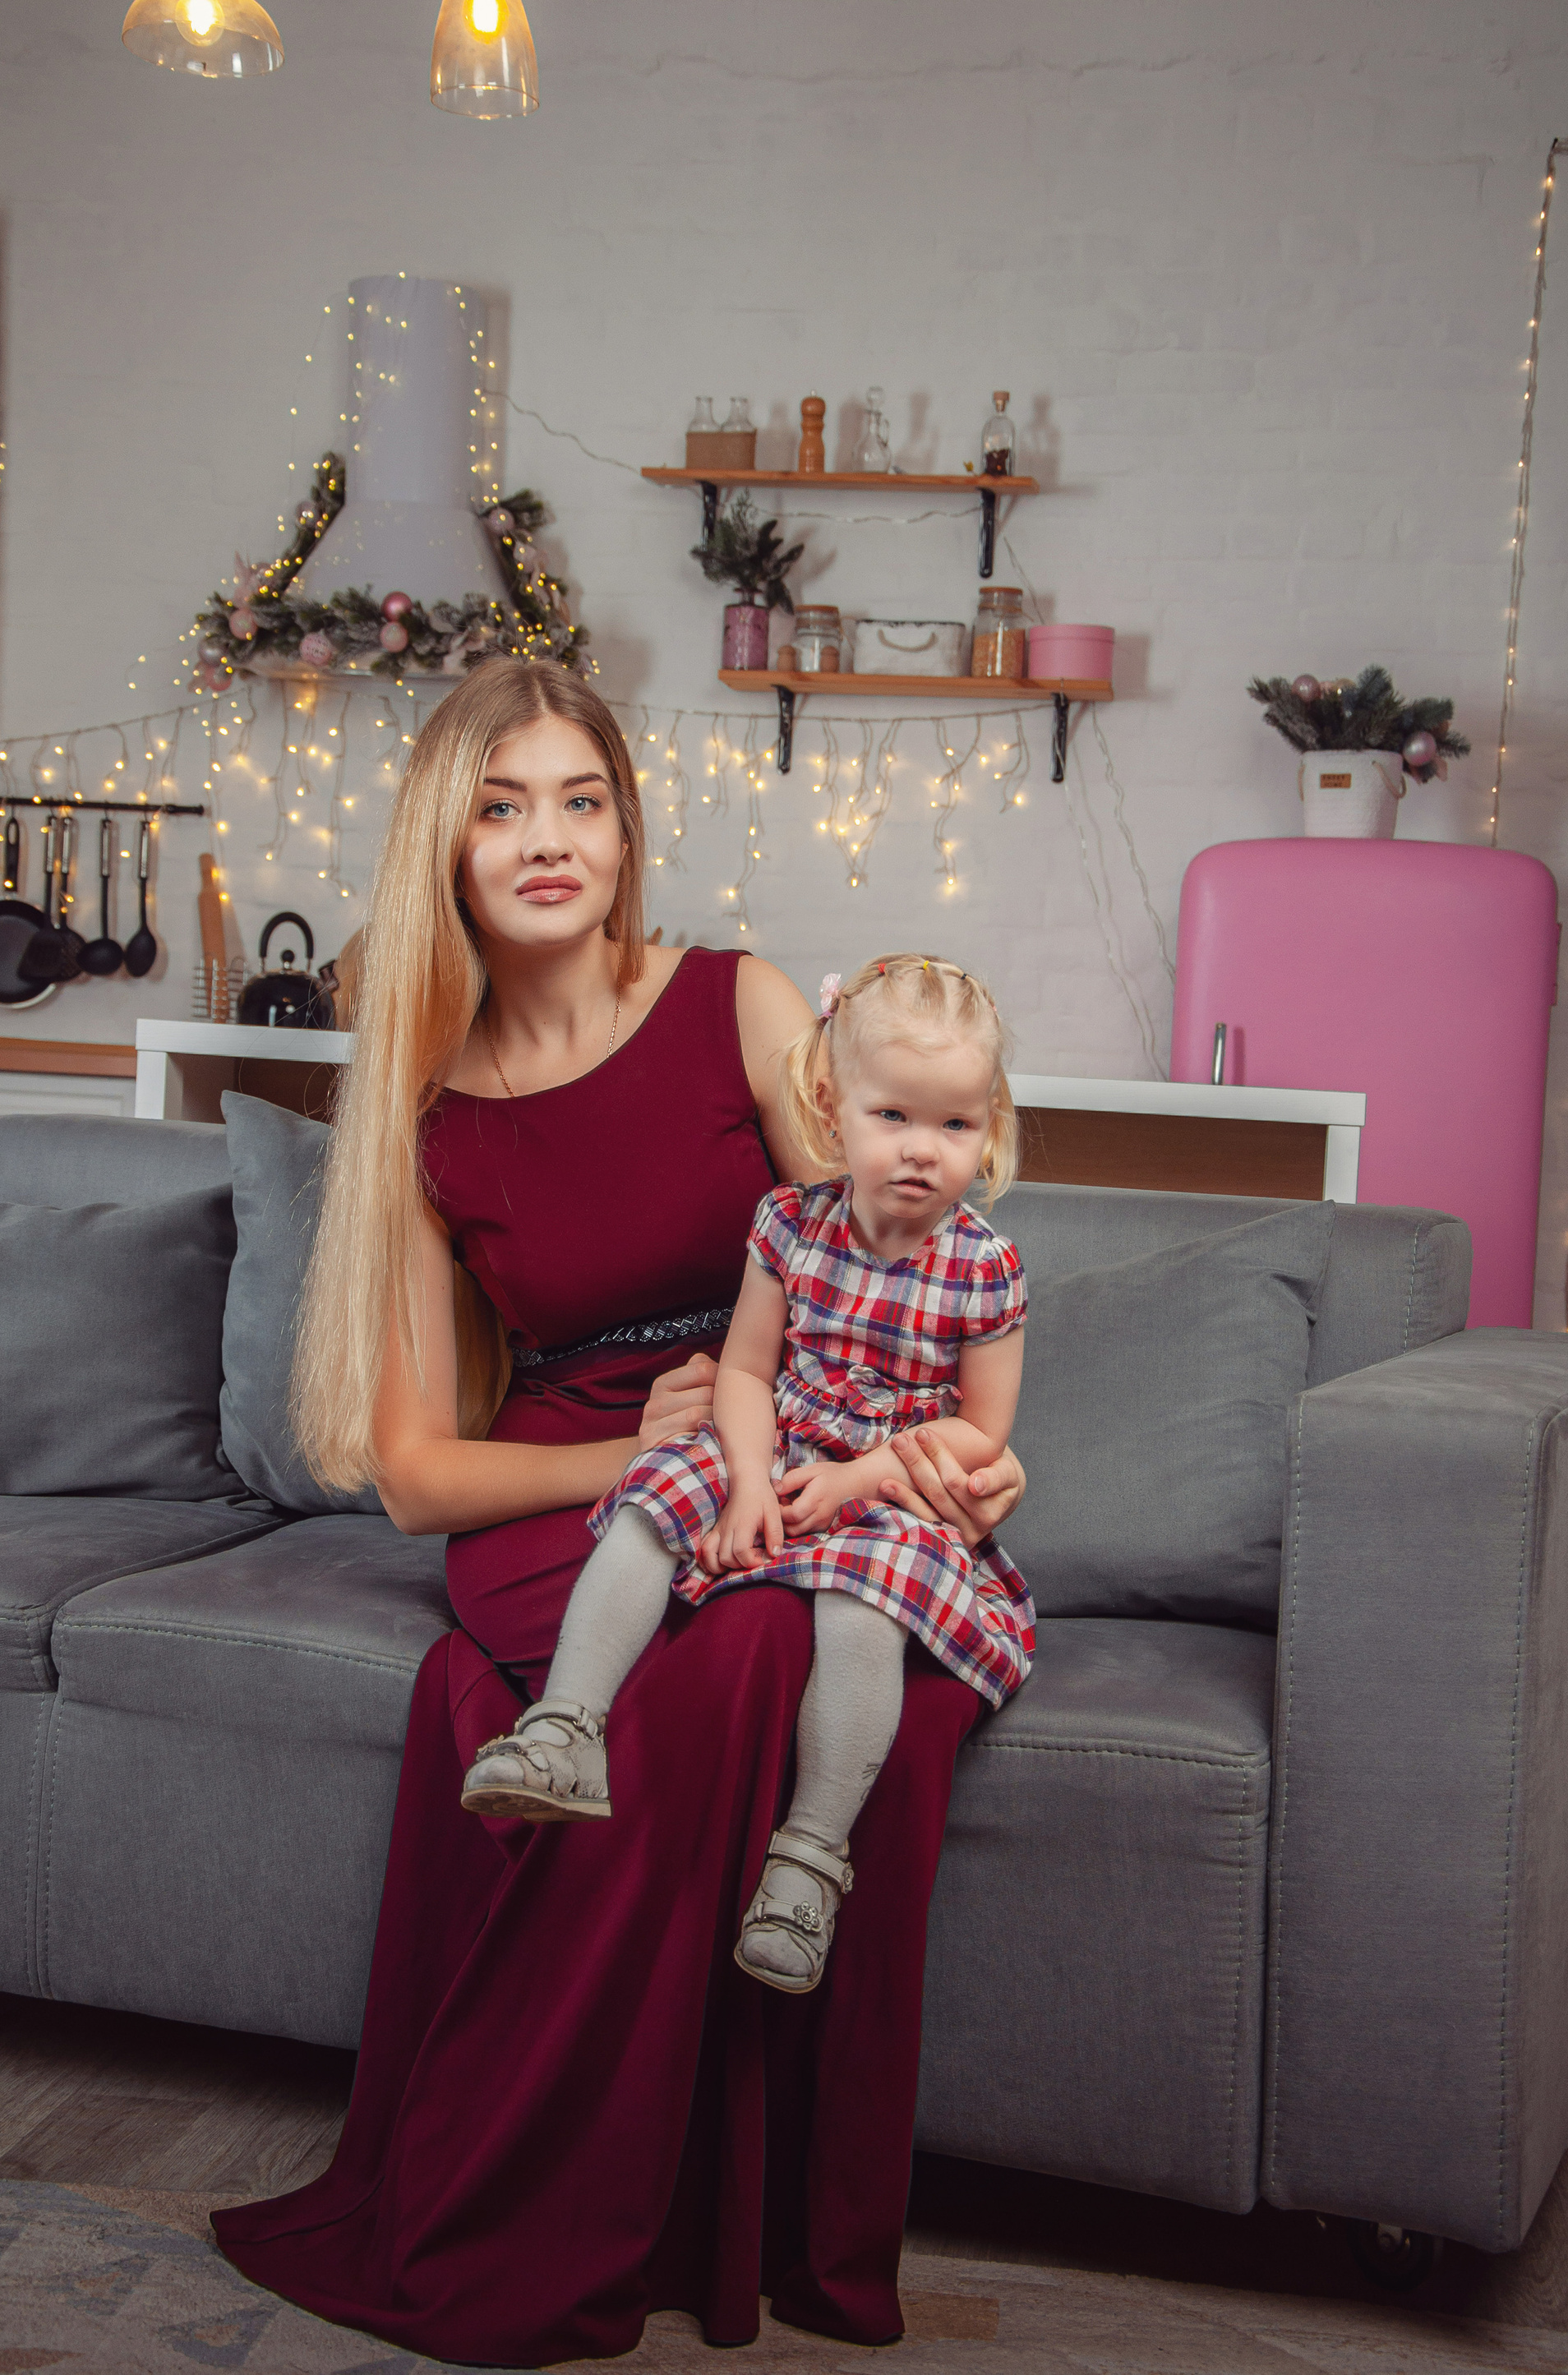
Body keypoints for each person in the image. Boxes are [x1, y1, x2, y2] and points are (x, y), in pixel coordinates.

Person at [211, 659, 1027, 2369]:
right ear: (446, 847)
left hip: (788, 1437)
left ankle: (735, 2209)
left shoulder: (737, 1001)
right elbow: (418, 1475)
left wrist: (949, 1450)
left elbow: (896, 1256)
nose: (548, 838)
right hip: (569, 1489)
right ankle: (547, 2197)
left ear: (626, 828)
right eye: (502, 806)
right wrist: (628, 1461)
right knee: (731, 1658)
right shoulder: (427, 1108)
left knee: (790, 1652)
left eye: (580, 799)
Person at [461, 952, 1035, 2000]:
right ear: (830, 1107)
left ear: (988, 1127)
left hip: (894, 1479)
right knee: (652, 1500)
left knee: (864, 1604)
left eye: (954, 1125)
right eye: (892, 1115)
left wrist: (860, 1481)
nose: (921, 1150)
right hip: (781, 1440)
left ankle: (808, 1860)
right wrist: (746, 1483)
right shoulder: (790, 1224)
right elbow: (744, 1371)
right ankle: (565, 1730)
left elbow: (983, 1431)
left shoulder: (983, 1266)